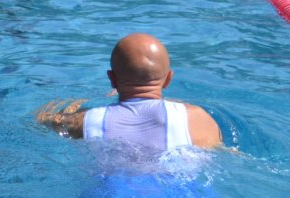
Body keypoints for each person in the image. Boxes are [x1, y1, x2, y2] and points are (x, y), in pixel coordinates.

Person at [35, 33, 222, 150]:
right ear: (168, 79)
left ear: (112, 79)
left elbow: (42, 118)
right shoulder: (197, 118)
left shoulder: (86, 120)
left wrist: (80, 100)